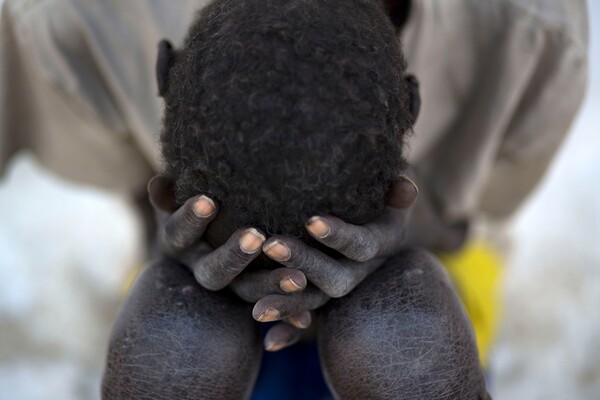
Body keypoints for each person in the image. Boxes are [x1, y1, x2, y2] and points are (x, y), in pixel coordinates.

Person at [0, 0, 588, 398]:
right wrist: (170, 255)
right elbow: (138, 183)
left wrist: (423, 244)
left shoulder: (533, 34)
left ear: (165, 72)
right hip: (199, 283)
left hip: (423, 263)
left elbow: (485, 211)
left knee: (411, 343)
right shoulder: (65, 17)